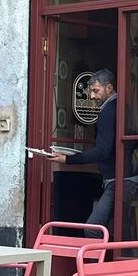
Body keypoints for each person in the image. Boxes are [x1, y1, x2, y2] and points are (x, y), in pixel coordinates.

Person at [50, 68, 118, 235]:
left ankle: (94, 262)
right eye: (91, 92)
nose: (92, 96)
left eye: (96, 91)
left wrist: (68, 159)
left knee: (93, 230)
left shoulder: (108, 111)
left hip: (116, 181)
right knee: (117, 230)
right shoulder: (122, 107)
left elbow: (102, 151)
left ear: (109, 88)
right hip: (121, 179)